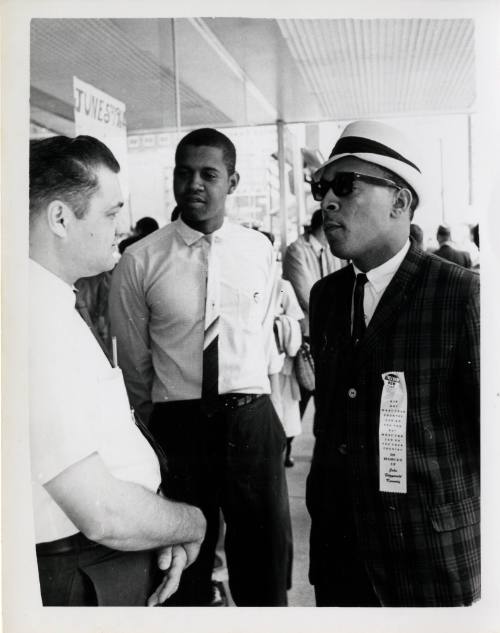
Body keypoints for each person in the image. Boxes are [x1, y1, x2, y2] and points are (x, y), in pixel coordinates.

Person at [109, 127, 293, 607]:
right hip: (179, 426)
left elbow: (263, 334)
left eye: (208, 174)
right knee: (181, 565)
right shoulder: (140, 260)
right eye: (184, 173)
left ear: (232, 182)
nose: (194, 184)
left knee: (264, 563)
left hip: (252, 421)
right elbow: (132, 360)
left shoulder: (259, 251)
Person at [306, 120, 479, 607]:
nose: (327, 202)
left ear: (400, 202)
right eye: (323, 189)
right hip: (341, 558)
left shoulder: (461, 295)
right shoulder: (326, 297)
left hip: (430, 562)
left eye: (345, 186)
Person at [29, 135, 206, 607]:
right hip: (81, 570)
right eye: (111, 213)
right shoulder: (32, 322)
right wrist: (191, 523)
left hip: (104, 556)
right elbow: (101, 510)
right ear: (61, 219)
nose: (122, 226)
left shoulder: (51, 306)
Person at [282, 208, 343, 416]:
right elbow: (309, 297)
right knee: (299, 400)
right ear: (325, 227)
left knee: (328, 406)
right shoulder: (296, 250)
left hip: (329, 336)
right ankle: (284, 446)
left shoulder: (332, 251)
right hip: (307, 338)